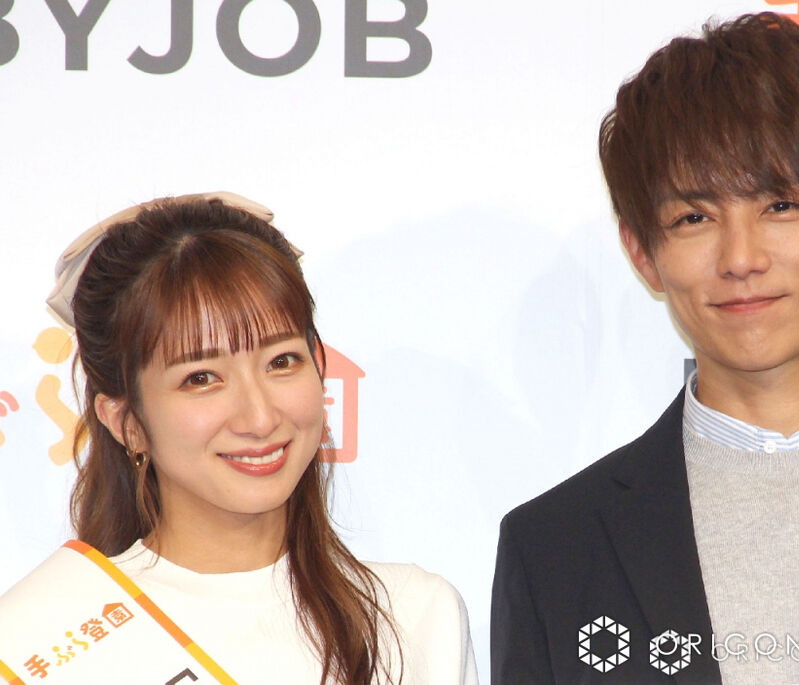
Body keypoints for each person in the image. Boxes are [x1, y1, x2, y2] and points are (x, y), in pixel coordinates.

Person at [491, 13, 799, 685]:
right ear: (643, 253)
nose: (740, 257)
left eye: (780, 206)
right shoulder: (557, 546)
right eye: (694, 217)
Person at [19, 192, 477, 684]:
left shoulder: (414, 616)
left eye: (281, 361)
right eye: (201, 378)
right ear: (126, 422)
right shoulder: (46, 639)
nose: (259, 418)